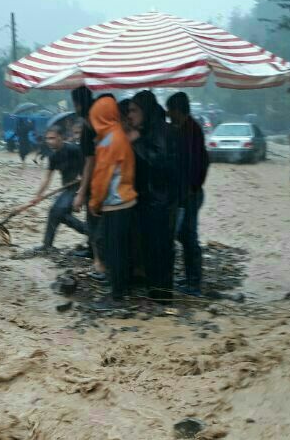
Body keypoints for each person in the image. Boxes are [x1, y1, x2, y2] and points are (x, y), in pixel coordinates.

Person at [87, 95, 137, 310]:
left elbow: (101, 178)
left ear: (100, 117)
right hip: (128, 201)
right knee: (123, 249)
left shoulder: (108, 141)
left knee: (113, 251)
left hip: (115, 204)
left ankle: (116, 297)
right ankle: (123, 289)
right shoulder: (120, 134)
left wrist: (94, 203)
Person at [128, 90, 178, 302]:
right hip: (150, 200)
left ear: (145, 111)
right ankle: (156, 291)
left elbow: (159, 161)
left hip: (160, 202)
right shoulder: (150, 129)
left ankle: (163, 295)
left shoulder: (160, 131)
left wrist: (137, 142)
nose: (130, 115)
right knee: (151, 247)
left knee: (160, 248)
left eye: (134, 110)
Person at [17, 126, 87, 251]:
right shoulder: (53, 156)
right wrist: (38, 195)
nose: (49, 141)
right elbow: (47, 178)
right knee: (56, 213)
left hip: (82, 186)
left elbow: (88, 167)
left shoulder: (74, 149)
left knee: (57, 211)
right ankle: (48, 244)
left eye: (52, 138)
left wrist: (81, 189)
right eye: (47, 138)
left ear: (61, 137)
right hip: (68, 188)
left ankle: (90, 233)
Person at [166, 92, 209, 295]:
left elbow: (201, 163)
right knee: (184, 234)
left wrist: (192, 188)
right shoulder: (187, 128)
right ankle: (190, 277)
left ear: (177, 110)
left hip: (190, 193)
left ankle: (194, 283)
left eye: (170, 111)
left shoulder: (190, 131)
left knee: (189, 236)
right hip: (188, 192)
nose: (168, 115)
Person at [71, 86, 106, 279]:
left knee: (95, 222)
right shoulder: (101, 123)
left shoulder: (91, 126)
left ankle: (100, 263)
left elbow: (90, 161)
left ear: (77, 104)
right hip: (103, 181)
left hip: (98, 183)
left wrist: (81, 191)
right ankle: (95, 254)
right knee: (95, 221)